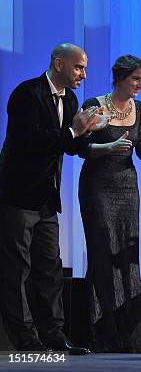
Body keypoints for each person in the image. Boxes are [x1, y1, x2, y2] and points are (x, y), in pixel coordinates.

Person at [0, 43, 106, 354]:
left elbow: (67, 147)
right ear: (59, 64)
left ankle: (54, 335)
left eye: (85, 68)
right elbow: (29, 142)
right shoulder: (27, 94)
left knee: (50, 268)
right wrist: (72, 133)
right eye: (79, 68)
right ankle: (25, 339)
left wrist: (85, 131)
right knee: (16, 270)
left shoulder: (70, 99)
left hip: (47, 197)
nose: (83, 75)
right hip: (18, 195)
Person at [78, 55, 141, 352]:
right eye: (135, 79)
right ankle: (100, 331)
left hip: (127, 187)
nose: (139, 85)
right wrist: (110, 146)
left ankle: (127, 332)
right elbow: (81, 149)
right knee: (102, 251)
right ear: (119, 78)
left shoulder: (139, 108)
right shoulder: (93, 104)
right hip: (97, 186)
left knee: (124, 254)